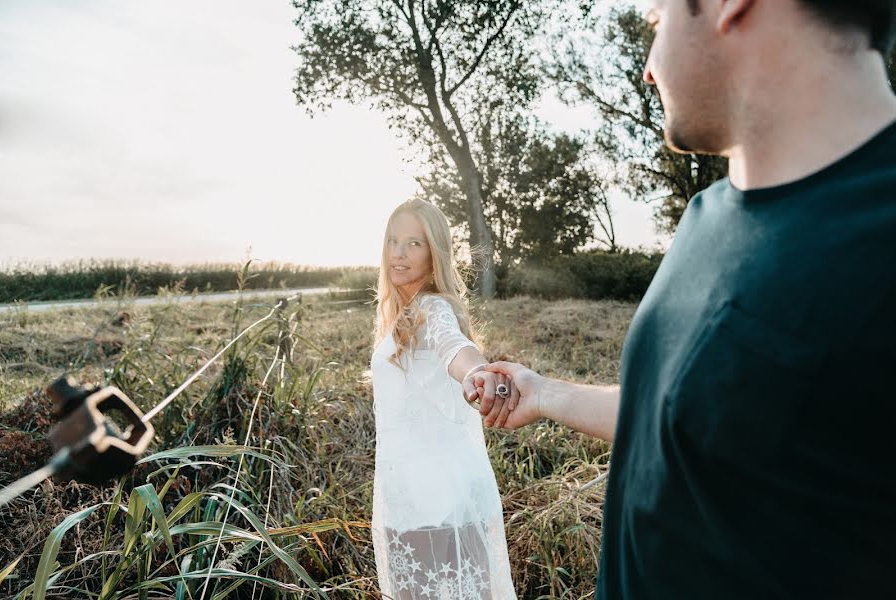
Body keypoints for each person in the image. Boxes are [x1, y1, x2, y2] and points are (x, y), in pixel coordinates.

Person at [472, 0, 896, 598]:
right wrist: (544, 393)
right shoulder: (705, 216)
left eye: (654, 20)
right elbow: (699, 415)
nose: (647, 68)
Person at [370, 199, 519, 599]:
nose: (399, 253)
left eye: (414, 243)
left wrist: (475, 373)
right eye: (393, 240)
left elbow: (454, 346)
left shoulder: (432, 307)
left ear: (434, 251)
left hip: (435, 499)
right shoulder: (399, 313)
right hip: (406, 493)